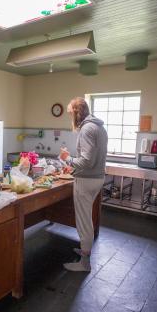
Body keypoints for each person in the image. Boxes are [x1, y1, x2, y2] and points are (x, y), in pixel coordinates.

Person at [60, 97, 108, 272]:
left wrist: (68, 159)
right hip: (97, 178)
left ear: (76, 112)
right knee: (86, 217)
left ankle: (84, 262)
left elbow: (87, 161)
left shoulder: (87, 129)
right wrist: (73, 168)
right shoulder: (99, 127)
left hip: (87, 181)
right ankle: (85, 250)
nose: (70, 117)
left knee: (84, 220)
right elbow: (92, 159)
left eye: (70, 113)